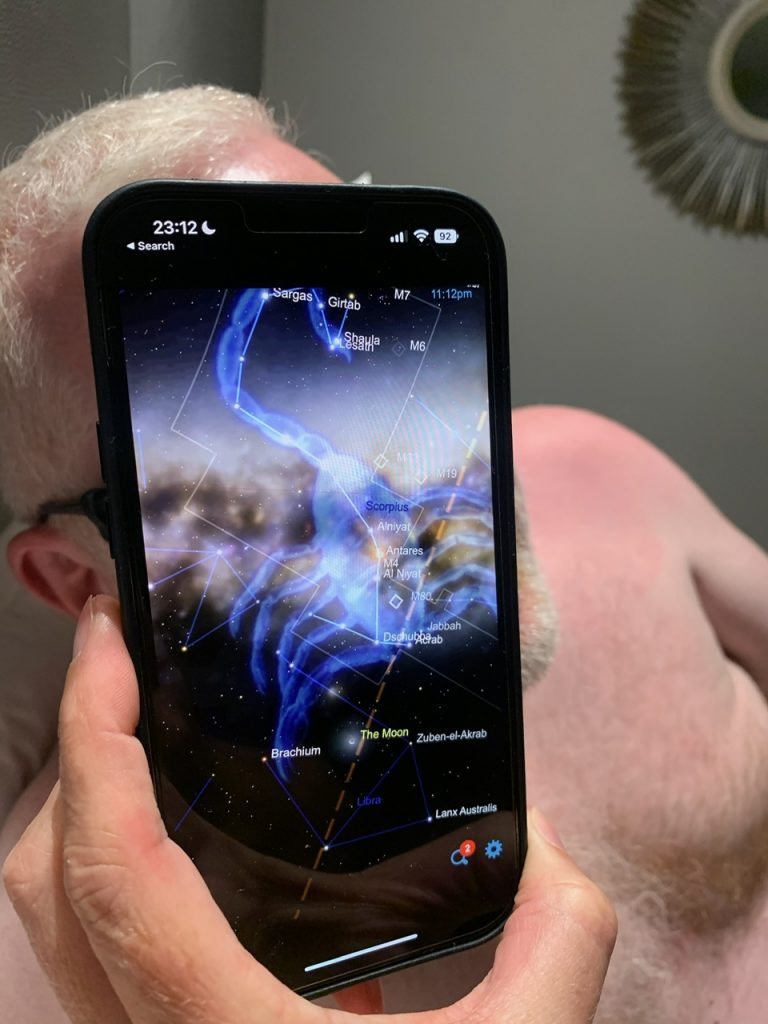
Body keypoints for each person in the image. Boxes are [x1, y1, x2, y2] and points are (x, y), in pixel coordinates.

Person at [0, 86, 766, 1022]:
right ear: (70, 574)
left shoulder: (607, 469)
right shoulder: (64, 962)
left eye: (381, 336)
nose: (399, 474)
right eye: (228, 453)